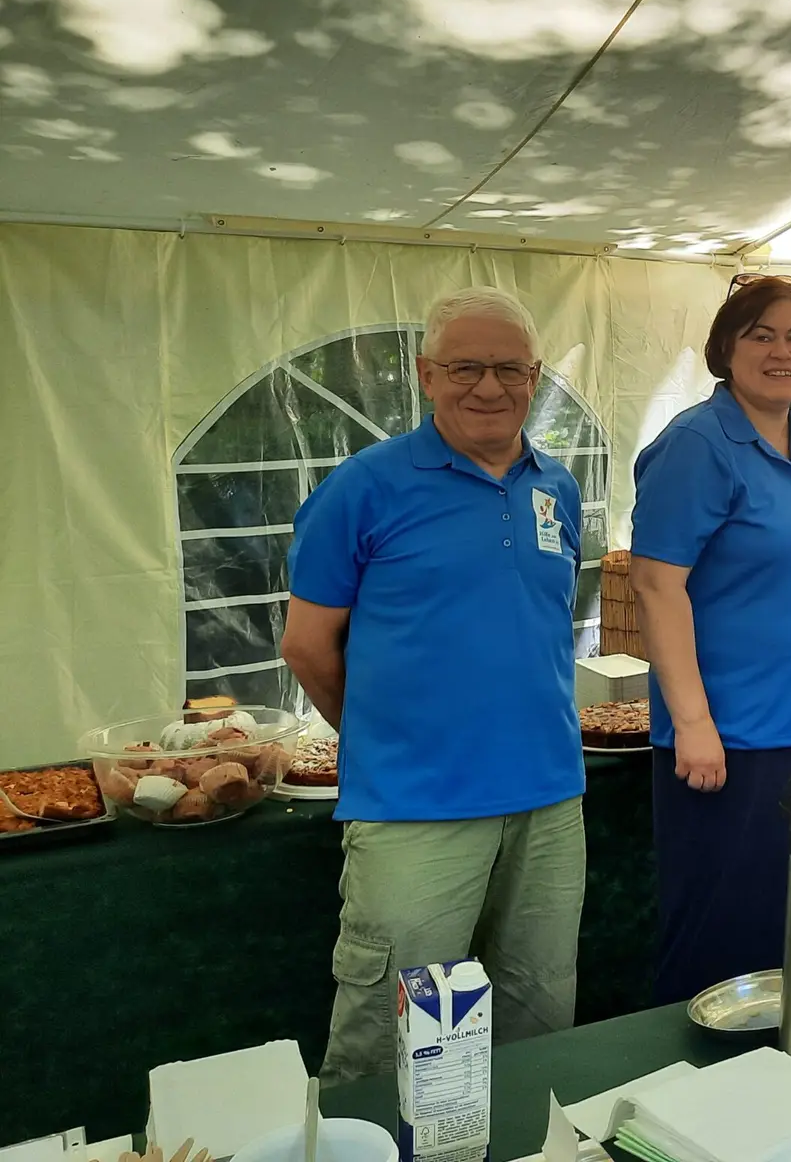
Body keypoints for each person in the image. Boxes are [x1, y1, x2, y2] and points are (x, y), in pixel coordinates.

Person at [281, 287, 585, 1084]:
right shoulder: (364, 488)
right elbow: (307, 646)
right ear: (425, 375)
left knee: (539, 1016)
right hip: (415, 807)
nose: (489, 386)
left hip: (550, 800)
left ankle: (524, 1137)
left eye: (510, 369)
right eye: (465, 368)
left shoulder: (557, 486)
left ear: (535, 376)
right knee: (392, 1039)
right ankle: (365, 1141)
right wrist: (387, 738)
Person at [629, 276, 791, 1005]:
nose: (782, 352)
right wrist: (694, 723)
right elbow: (656, 585)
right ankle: (689, 1071)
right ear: (725, 347)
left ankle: (773, 1071)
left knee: (787, 937)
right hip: (732, 740)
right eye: (761, 335)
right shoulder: (698, 444)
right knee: (719, 944)